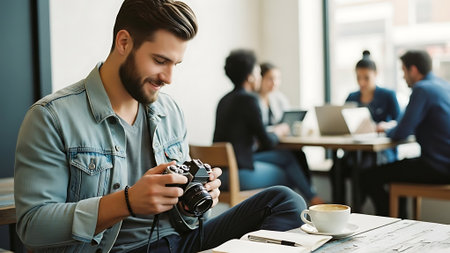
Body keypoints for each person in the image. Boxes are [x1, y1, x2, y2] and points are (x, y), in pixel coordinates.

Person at [14, 1, 308, 252]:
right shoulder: (51, 117)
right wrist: (126, 203)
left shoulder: (169, 111)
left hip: (178, 242)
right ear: (124, 42)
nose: (169, 77)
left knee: (284, 200)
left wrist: (194, 200)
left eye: (175, 64)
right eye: (160, 61)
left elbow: (185, 222)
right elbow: (33, 227)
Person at [213, 49, 324, 206]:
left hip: (220, 173)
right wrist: (279, 131)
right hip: (238, 173)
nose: (259, 76)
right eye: (258, 72)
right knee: (288, 175)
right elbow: (267, 142)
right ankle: (309, 204)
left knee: (287, 157)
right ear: (250, 76)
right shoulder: (249, 100)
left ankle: (312, 200)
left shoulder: (223, 100)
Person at [361, 50, 450, 217]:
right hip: (445, 163)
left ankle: (387, 222)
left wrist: (388, 128)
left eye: (403, 71)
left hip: (438, 167)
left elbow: (400, 133)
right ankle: (399, 218)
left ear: (413, 70)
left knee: (368, 177)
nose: (403, 77)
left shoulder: (422, 89)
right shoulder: (443, 85)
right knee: (399, 172)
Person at [258, 62, 312, 182]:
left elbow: (287, 117)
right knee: (289, 157)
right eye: (270, 79)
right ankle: (311, 196)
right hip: (263, 146)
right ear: (260, 79)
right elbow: (259, 131)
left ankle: (310, 192)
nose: (275, 83)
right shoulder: (253, 101)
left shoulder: (279, 98)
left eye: (277, 78)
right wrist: (275, 130)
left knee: (299, 154)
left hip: (277, 142)